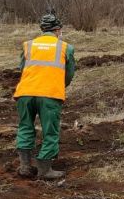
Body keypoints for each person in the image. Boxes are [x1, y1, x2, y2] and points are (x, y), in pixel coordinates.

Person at [13, 11, 76, 180]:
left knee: (25, 127)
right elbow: (69, 75)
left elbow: (22, 68)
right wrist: (58, 85)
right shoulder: (65, 47)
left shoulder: (28, 45)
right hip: (49, 95)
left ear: (42, 29)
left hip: (25, 93)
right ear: (57, 30)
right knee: (50, 131)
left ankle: (25, 166)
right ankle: (45, 169)